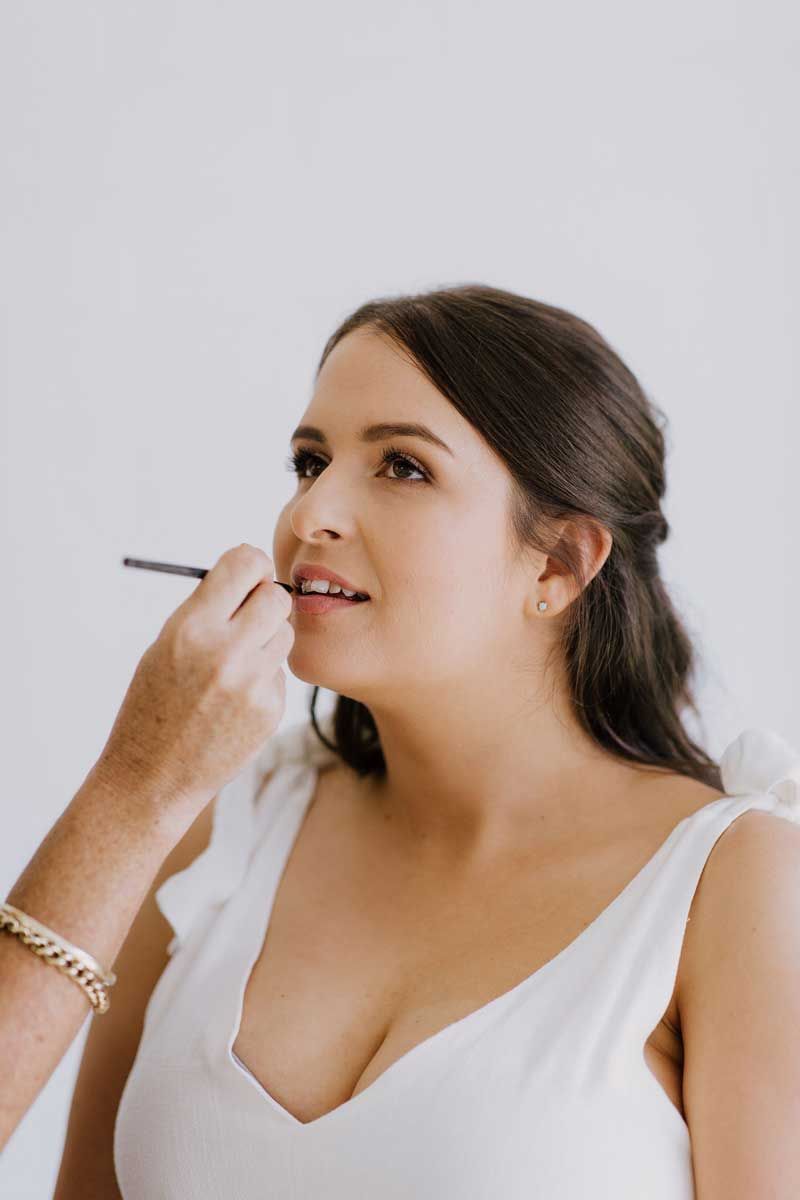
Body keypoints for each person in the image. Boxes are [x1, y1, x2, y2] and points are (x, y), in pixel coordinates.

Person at [6, 285, 799, 1198]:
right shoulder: (214, 835)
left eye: (403, 468)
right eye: (310, 462)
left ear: (558, 563)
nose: (311, 516)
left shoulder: (737, 886)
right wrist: (135, 787)